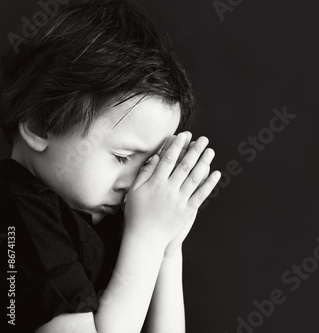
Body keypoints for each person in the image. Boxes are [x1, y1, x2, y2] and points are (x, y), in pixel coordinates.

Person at [0, 0, 221, 332]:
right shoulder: (16, 211)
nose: (135, 184)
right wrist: (145, 239)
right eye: (122, 156)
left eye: (149, 163)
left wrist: (166, 249)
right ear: (39, 125)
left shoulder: (108, 220)